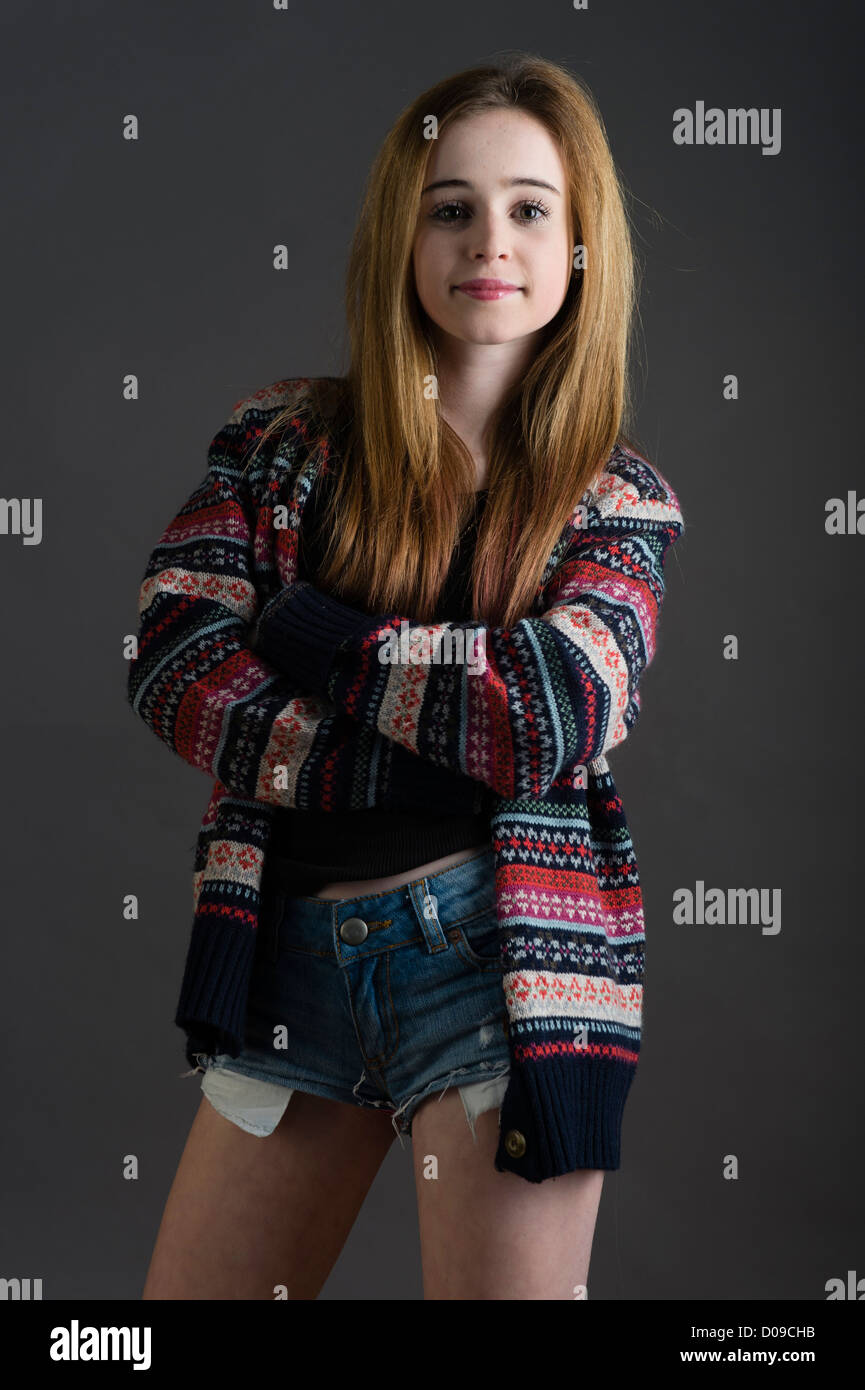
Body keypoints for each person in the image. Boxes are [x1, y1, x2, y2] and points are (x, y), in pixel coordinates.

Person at [129, 53, 684, 1300]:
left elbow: (556, 708)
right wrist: (443, 731)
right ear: (404, 230)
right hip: (288, 964)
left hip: (503, 964)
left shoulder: (619, 498)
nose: (490, 238)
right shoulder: (279, 442)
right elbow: (173, 659)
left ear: (581, 243)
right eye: (452, 205)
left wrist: (318, 636)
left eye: (531, 207)